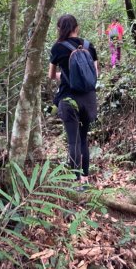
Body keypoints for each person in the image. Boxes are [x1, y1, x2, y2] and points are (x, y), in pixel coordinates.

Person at [49, 14, 99, 184]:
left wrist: (62, 75)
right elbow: (95, 74)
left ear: (59, 29)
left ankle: (75, 180)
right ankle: (85, 178)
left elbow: (51, 75)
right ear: (77, 27)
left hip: (68, 99)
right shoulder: (88, 46)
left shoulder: (57, 48)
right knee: (84, 139)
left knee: (73, 141)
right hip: (89, 99)